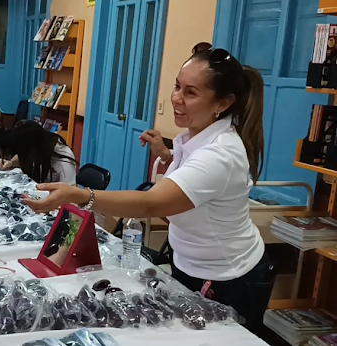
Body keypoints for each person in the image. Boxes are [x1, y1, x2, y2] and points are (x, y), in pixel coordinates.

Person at [23, 45, 274, 334]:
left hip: (230, 277)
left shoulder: (221, 154)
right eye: (177, 86)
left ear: (222, 103)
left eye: (191, 93)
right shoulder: (193, 136)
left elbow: (153, 204)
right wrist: (167, 154)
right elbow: (195, 176)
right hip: (190, 266)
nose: (176, 98)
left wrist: (80, 195)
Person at [0, 120, 76, 185]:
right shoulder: (38, 146)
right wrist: (11, 163)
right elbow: (22, 157)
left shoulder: (63, 161)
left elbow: (70, 195)